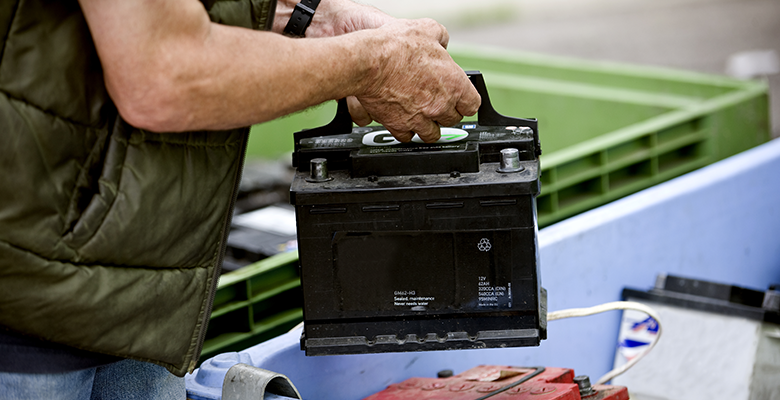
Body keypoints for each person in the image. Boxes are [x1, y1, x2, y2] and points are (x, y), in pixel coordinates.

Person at [0, 0, 480, 398]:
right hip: (27, 314)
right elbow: (164, 72)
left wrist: (308, 17)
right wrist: (371, 63)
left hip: (144, 292)